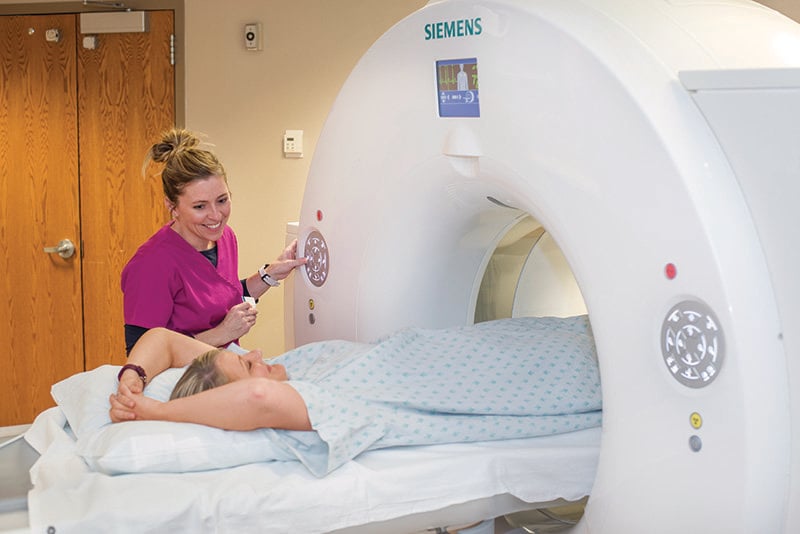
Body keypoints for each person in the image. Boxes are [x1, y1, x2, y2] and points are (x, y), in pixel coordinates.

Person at [121, 128, 306, 353]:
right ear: (172, 206)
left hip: (221, 365)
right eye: (200, 206)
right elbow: (140, 355)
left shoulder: (225, 237)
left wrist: (270, 275)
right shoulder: (152, 264)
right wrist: (221, 334)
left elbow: (224, 299)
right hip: (181, 381)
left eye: (222, 200)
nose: (216, 216)